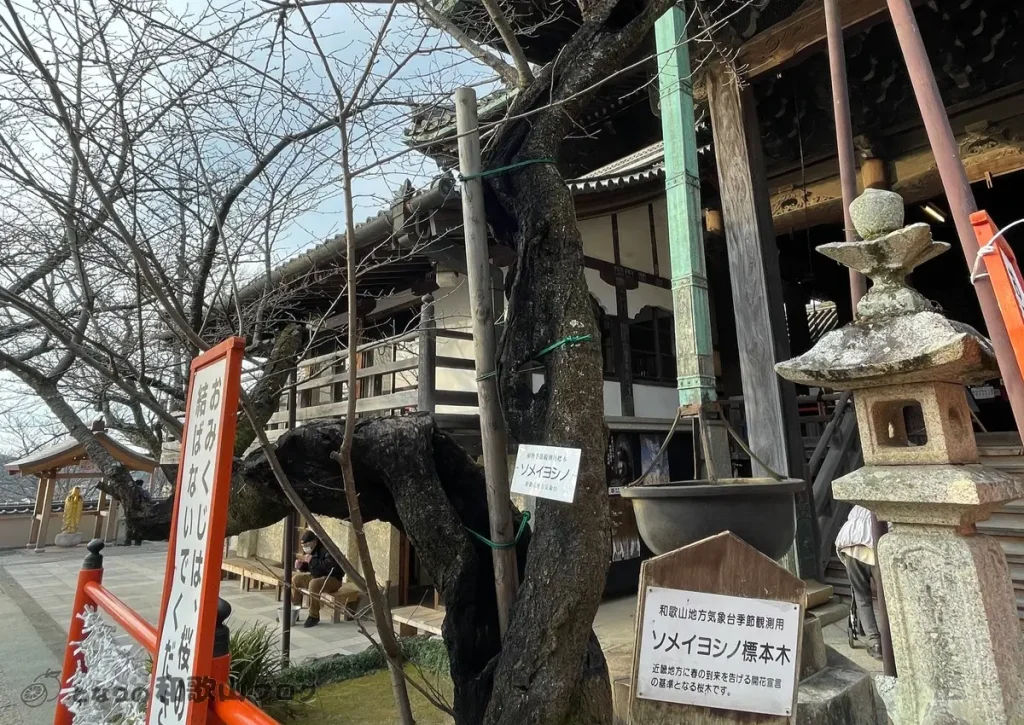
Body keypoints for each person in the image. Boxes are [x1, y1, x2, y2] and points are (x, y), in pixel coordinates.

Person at [836, 505, 882, 660]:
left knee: (862, 596)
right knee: (886, 598)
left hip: (851, 548)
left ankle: (874, 640)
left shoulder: (857, 505)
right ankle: (890, 639)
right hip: (874, 548)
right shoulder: (884, 504)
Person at [291, 530, 343, 628]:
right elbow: (312, 567)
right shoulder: (311, 550)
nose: (306, 548)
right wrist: (301, 566)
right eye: (304, 546)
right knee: (296, 579)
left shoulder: (327, 548)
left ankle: (313, 616)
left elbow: (329, 567)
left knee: (313, 584)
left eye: (307, 545)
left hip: (333, 579)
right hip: (317, 576)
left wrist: (312, 561)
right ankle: (295, 610)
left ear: (314, 542)